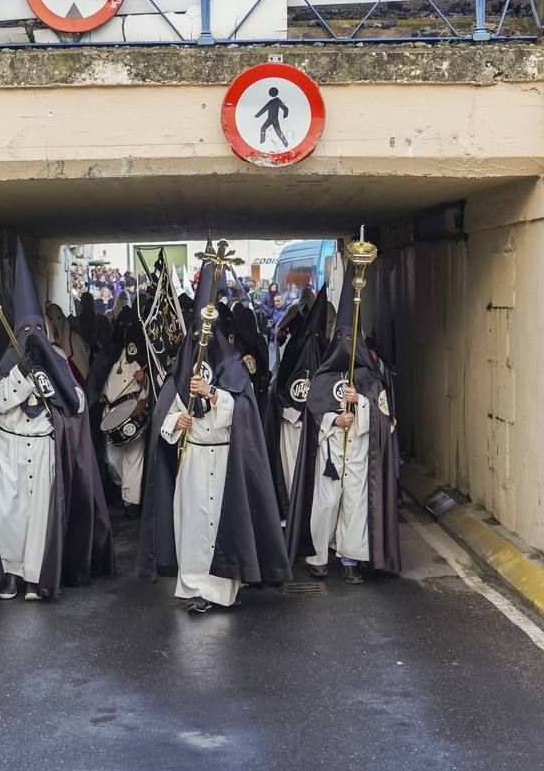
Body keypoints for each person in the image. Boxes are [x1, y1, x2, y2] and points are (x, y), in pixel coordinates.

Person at [0, 239, 116, 600]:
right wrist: (19, 377)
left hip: (43, 447)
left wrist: (48, 383)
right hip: (11, 450)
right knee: (11, 516)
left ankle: (35, 576)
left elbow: (75, 403)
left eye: (36, 331)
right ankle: (10, 575)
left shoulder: (58, 362)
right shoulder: (5, 367)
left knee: (40, 516)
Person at [139, 247, 291, 614]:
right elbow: (164, 416)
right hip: (192, 457)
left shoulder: (232, 363)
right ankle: (195, 587)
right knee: (192, 523)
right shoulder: (180, 369)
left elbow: (242, 409)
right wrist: (179, 421)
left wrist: (212, 394)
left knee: (224, 521)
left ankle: (224, 588)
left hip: (224, 458)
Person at [285, 266, 400, 585]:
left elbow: (383, 417)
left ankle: (350, 559)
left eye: (351, 338)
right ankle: (318, 556)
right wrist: (335, 418)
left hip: (360, 455)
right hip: (331, 455)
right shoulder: (323, 376)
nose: (346, 343)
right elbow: (313, 411)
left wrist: (359, 405)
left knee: (355, 507)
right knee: (325, 505)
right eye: (341, 338)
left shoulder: (369, 378)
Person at [265, 285, 328, 520]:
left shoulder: (323, 347)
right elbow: (278, 337)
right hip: (292, 416)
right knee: (291, 467)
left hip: (315, 423)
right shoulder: (293, 338)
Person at [90, 307, 151, 518]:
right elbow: (97, 381)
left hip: (134, 411)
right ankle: (121, 488)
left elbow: (153, 387)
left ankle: (130, 502)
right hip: (110, 412)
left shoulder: (144, 356)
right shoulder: (109, 354)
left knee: (134, 458)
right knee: (112, 459)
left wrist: (144, 384)